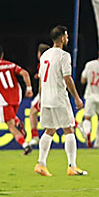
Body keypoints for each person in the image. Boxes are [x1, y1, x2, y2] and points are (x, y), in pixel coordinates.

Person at [35, 26, 86, 176]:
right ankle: (72, 166)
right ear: (62, 38)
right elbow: (67, 78)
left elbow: (40, 79)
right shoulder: (64, 56)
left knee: (49, 130)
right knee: (69, 129)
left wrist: (40, 97)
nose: (68, 38)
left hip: (46, 98)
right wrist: (76, 97)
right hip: (59, 97)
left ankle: (41, 164)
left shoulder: (44, 55)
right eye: (67, 36)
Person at [0, 44, 36, 156]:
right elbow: (25, 73)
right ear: (2, 55)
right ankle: (18, 122)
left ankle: (25, 145)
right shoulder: (10, 64)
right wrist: (29, 88)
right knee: (11, 118)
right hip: (17, 96)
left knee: (10, 126)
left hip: (4, 99)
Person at [28, 43, 50, 141]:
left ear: (40, 54)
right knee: (58, 116)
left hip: (46, 92)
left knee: (33, 112)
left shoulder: (42, 63)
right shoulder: (50, 62)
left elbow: (42, 82)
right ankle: (77, 124)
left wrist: (41, 97)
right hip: (54, 91)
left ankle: (35, 137)